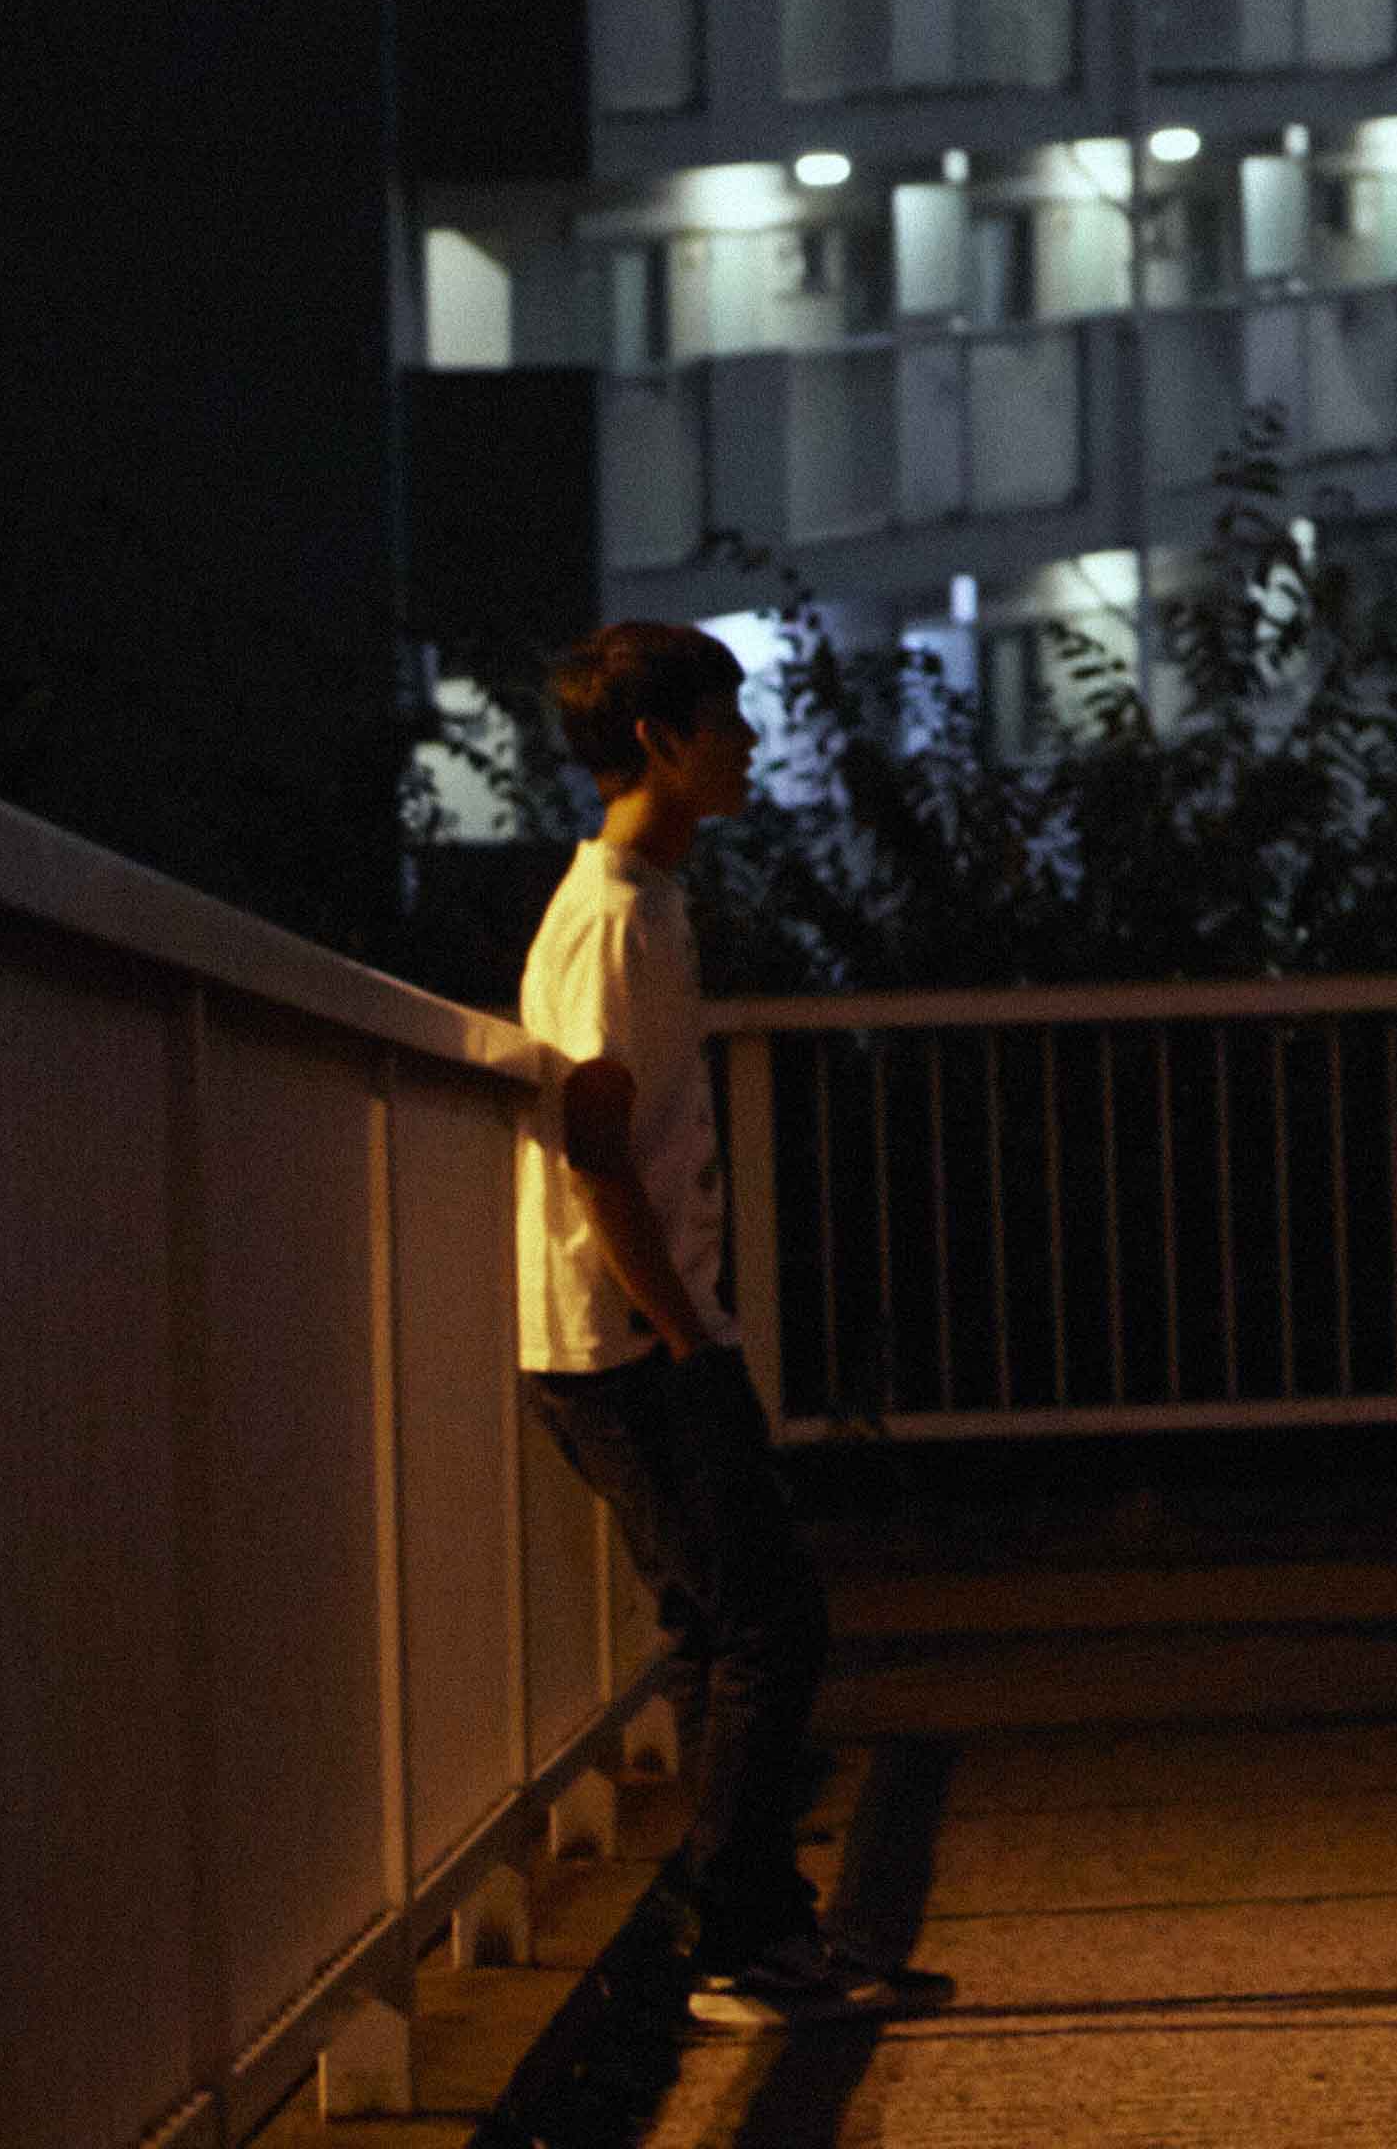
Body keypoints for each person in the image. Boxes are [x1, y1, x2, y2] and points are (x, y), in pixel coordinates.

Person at [516, 622, 945, 2031]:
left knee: (720, 1625)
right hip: (628, 1341)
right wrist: (691, 1343)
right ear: (657, 738)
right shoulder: (619, 920)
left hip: (640, 1332)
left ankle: (746, 1929)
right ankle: (735, 1939)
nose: (749, 743)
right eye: (728, 718)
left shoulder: (645, 899)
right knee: (769, 1623)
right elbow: (596, 1149)